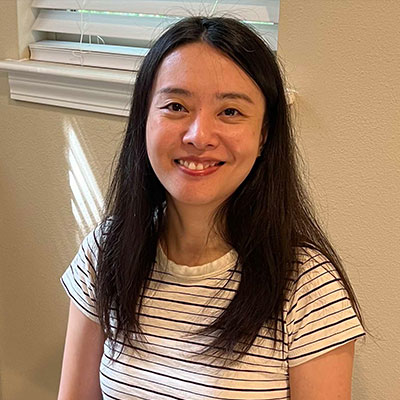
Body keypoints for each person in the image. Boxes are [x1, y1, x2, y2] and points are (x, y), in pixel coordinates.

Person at [58, 16, 365, 400]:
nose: (198, 136)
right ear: (144, 120)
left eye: (230, 112)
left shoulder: (307, 285)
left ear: (264, 135)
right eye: (176, 106)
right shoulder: (106, 251)